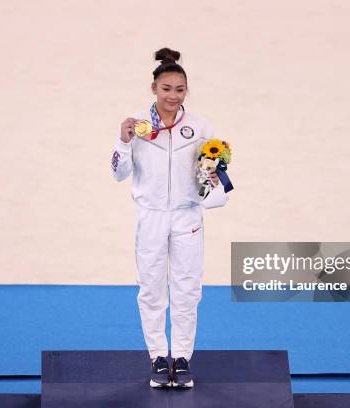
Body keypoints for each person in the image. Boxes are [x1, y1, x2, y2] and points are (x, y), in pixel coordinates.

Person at [111, 47, 229, 388]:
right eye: (166, 89)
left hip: (186, 217)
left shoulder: (200, 127)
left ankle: (182, 357)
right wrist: (122, 141)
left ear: (186, 91)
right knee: (150, 288)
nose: (173, 96)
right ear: (154, 89)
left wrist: (217, 176)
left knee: (187, 288)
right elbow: (119, 174)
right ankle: (158, 358)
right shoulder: (137, 125)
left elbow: (213, 171)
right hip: (150, 216)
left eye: (179, 90)